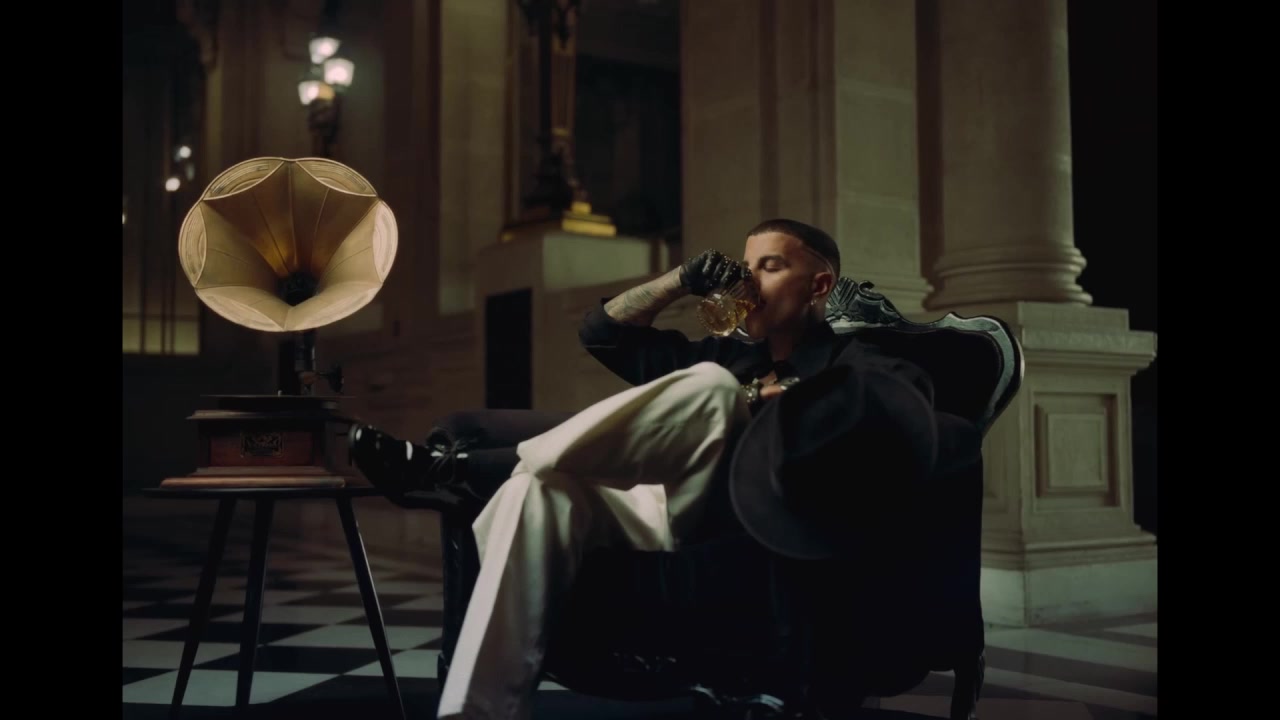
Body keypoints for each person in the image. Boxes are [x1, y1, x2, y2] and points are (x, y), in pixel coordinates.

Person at [348, 218, 977, 719]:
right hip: (663, 510)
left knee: (711, 388)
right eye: (746, 266)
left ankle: (459, 471)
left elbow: (910, 416)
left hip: (749, 523)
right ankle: (478, 713)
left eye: (771, 266)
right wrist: (680, 280)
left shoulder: (858, 361)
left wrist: (772, 400)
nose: (750, 281)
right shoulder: (729, 353)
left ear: (818, 286)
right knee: (535, 492)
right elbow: (603, 333)